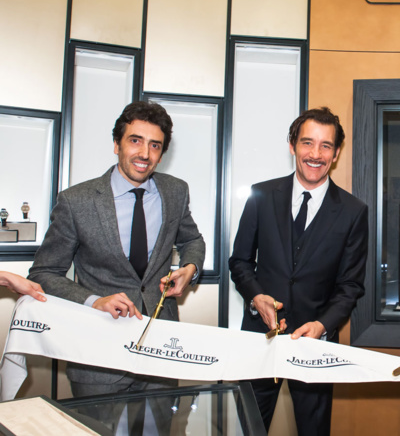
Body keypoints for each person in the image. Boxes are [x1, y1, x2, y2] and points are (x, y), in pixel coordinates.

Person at [28, 101, 205, 407]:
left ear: (162, 153)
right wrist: (94, 301)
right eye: (135, 140)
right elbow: (44, 274)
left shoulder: (176, 191)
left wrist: (189, 267)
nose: (145, 154)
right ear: (116, 144)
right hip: (98, 357)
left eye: (155, 145)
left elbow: (193, 239)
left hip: (161, 353)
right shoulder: (76, 201)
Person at [229, 106, 368, 436]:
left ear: (335, 154)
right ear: (292, 145)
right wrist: (256, 296)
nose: (315, 154)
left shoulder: (353, 211)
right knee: (247, 427)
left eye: (325, 146)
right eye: (307, 143)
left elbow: (350, 285)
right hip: (259, 339)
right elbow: (240, 262)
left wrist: (322, 325)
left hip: (316, 344)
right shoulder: (261, 196)